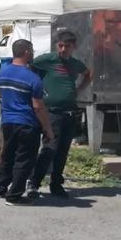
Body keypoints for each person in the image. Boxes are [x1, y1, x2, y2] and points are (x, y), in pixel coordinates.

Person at [27, 30, 91, 199]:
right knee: (49, 149)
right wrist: (37, 89)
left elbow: (88, 74)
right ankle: (34, 183)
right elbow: (30, 68)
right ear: (57, 45)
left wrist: (79, 90)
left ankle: (56, 183)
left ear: (73, 47)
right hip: (52, 113)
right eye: (60, 46)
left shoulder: (75, 64)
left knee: (63, 151)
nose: (63, 49)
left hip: (70, 113)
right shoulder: (47, 60)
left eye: (67, 46)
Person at [0, 39, 54, 206]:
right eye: (32, 50)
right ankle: (15, 196)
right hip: (27, 123)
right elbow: (38, 106)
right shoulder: (33, 79)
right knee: (24, 160)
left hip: (7, 121)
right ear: (26, 52)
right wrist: (47, 128)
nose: (33, 54)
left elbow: (1, 92)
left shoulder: (2, 73)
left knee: (8, 155)